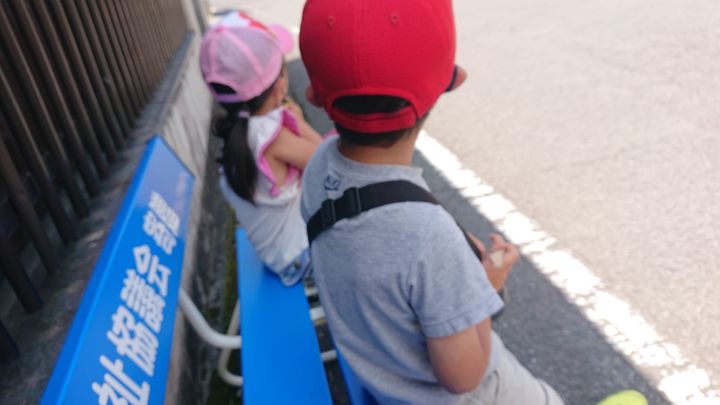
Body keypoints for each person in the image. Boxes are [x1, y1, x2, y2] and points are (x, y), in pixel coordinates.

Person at [298, 0, 565, 403]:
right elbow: (464, 376)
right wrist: (484, 285)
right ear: (447, 83)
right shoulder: (428, 235)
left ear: (315, 94)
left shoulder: (319, 165)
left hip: (384, 385)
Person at [199, 11, 322, 286]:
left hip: (277, 255)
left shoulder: (236, 130)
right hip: (298, 259)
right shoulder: (272, 137)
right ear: (280, 85)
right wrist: (300, 122)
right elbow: (327, 161)